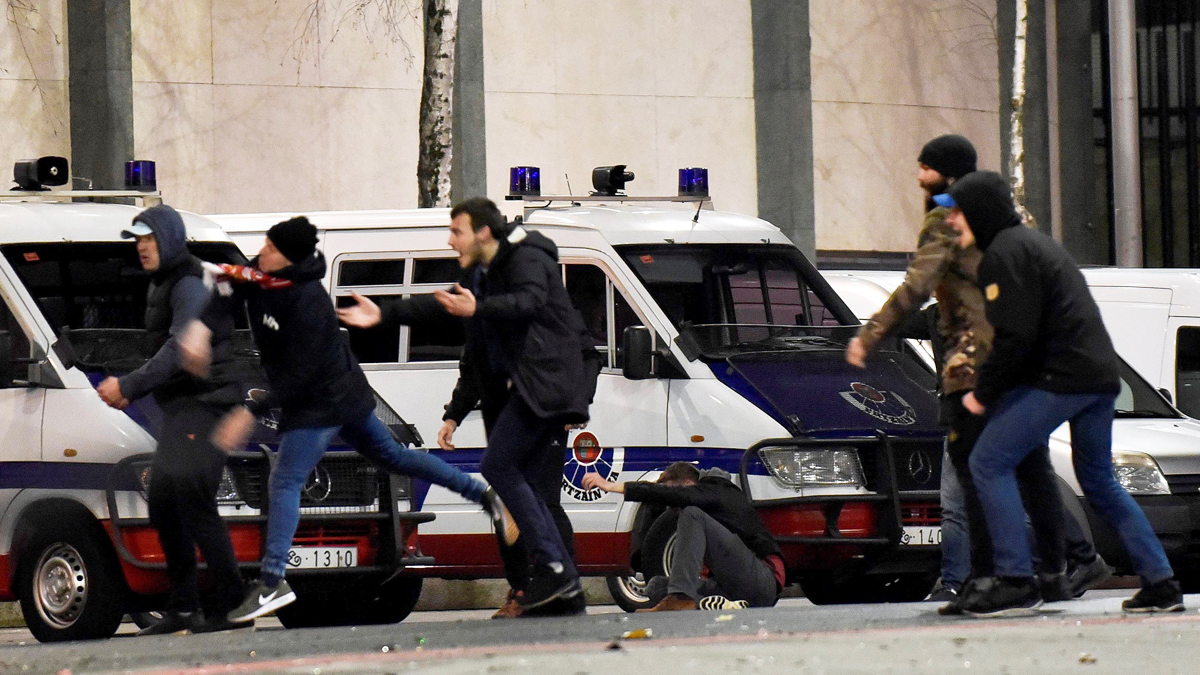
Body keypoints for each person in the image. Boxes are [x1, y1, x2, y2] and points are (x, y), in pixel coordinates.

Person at [178, 216, 504, 624]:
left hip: (325, 398)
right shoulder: (261, 276)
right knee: (392, 456)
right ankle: (481, 494)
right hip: (336, 394)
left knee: (286, 480)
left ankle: (272, 581)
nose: (262, 250)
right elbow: (227, 292)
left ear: (289, 258)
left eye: (271, 247)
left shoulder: (308, 301)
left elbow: (303, 374)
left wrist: (251, 411)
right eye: (265, 243)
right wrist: (200, 330)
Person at [845, 137, 1107, 614]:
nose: (918, 178)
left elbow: (917, 285)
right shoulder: (1012, 217)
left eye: (924, 169)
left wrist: (869, 335)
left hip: (972, 360)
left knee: (973, 468)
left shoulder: (948, 218)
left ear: (946, 177)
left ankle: (990, 577)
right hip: (1014, 355)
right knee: (1025, 465)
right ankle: (1056, 567)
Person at [338, 198, 600, 616]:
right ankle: (564, 585)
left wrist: (478, 307)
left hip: (546, 385)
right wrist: (384, 314)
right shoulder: (481, 273)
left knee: (499, 468)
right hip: (522, 390)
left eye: (456, 230)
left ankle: (554, 568)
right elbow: (447, 311)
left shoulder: (528, 258)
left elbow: (529, 301)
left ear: (483, 232)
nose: (449, 239)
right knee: (525, 487)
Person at [942, 170, 1184, 615]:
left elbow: (1017, 336)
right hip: (1100, 379)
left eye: (956, 211)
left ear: (979, 212)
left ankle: (1015, 579)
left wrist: (984, 392)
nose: (951, 221)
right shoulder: (1036, 243)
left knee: (988, 460)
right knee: (1098, 481)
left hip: (1062, 379)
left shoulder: (1003, 253)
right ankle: (1161, 582)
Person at [95, 205, 248, 635]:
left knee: (193, 500)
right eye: (137, 240)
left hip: (207, 405)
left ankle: (234, 605)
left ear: (169, 239)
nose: (141, 248)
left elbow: (180, 348)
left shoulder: (188, 283)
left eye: (148, 239)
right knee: (165, 502)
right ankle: (183, 608)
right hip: (185, 408)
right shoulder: (166, 283)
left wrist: (128, 385)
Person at [582, 462, 783, 611]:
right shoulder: (705, 507)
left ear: (688, 485)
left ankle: (682, 598)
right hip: (732, 587)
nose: (672, 507)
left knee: (691, 513)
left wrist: (614, 486)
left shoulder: (717, 489)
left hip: (762, 583)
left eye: (673, 495)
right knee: (657, 586)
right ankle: (710, 603)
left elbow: (678, 497)